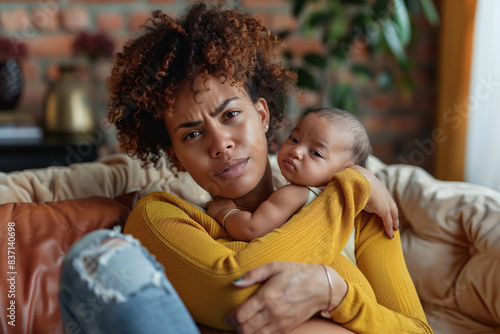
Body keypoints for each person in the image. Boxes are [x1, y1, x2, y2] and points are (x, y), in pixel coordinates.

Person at [58, 3, 433, 334]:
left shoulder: (365, 213)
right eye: (191, 135)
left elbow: (418, 331)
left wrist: (338, 294)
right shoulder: (161, 216)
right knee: (96, 254)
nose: (220, 144)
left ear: (263, 115)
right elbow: (232, 286)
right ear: (175, 157)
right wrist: (351, 188)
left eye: (231, 114)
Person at [206, 107, 382, 256]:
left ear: (343, 173)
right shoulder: (343, 205)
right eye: (294, 139)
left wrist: (226, 212)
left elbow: (253, 229)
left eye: (316, 153)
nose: (296, 151)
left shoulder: (294, 194)